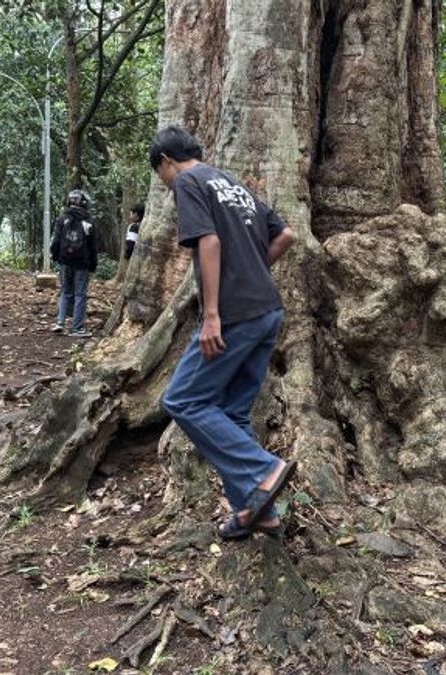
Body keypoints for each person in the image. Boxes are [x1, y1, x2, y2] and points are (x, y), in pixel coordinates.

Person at [152, 125, 298, 541]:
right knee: (233, 413)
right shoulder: (229, 181)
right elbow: (285, 234)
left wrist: (212, 314)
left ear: (166, 161)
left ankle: (264, 470)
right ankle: (256, 512)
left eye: (160, 175)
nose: (164, 185)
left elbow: (209, 242)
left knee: (183, 398)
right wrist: (253, 269)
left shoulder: (188, 182)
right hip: (267, 309)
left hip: (234, 316)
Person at [49, 189, 101, 337]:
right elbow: (93, 247)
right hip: (82, 264)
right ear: (84, 203)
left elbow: (56, 242)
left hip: (65, 261)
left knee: (65, 292)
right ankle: (77, 328)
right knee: (80, 294)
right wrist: (93, 264)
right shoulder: (89, 222)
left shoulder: (62, 219)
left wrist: (56, 257)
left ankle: (60, 322)